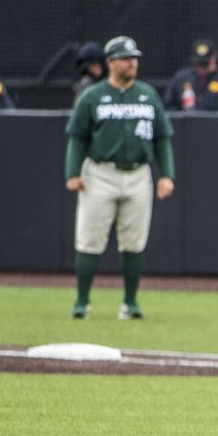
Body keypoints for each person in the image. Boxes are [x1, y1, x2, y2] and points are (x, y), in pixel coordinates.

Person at [64, 35, 175, 320]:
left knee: (134, 241)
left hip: (139, 173)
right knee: (89, 239)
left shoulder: (148, 94)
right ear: (111, 61)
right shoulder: (93, 95)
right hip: (101, 173)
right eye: (126, 58)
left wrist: (167, 175)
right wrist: (72, 172)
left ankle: (130, 303)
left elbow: (162, 138)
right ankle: (82, 301)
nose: (132, 63)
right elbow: (77, 137)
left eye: (134, 58)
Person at [163, 39, 218, 112]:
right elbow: (169, 106)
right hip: (187, 122)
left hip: (217, 122)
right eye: (198, 64)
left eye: (205, 64)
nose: (201, 68)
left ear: (214, 57)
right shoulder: (181, 78)